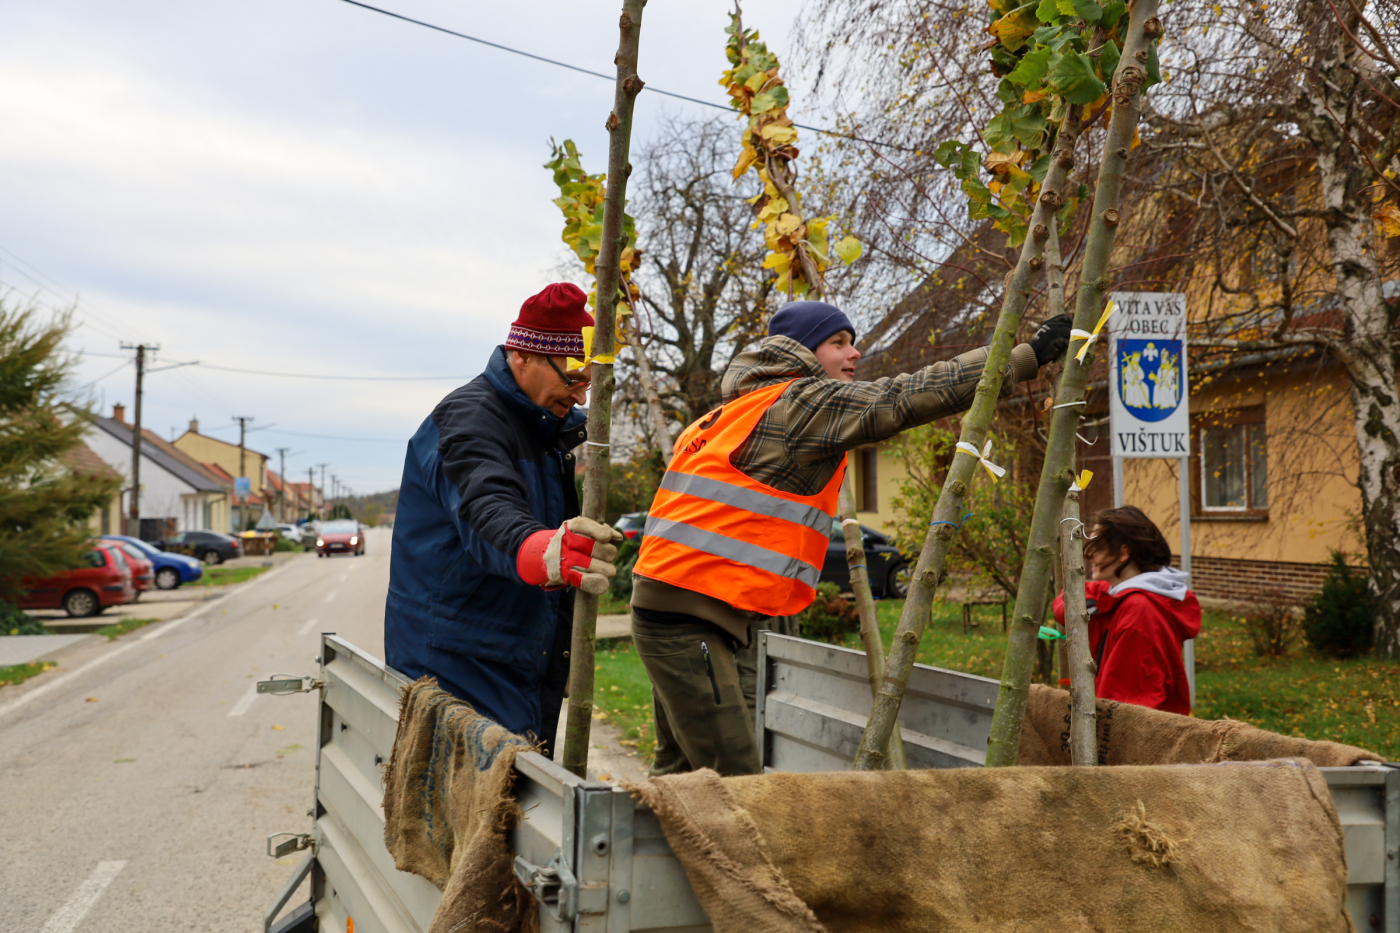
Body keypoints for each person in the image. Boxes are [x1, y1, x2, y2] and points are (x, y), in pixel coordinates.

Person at [630, 300, 1075, 776]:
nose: (855, 352)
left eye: (852, 341)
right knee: (731, 781)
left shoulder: (722, 415)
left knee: (680, 775)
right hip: (691, 618)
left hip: (683, 610)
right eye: (837, 343)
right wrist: (1026, 355)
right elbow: (904, 397)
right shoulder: (801, 403)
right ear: (800, 354)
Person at [384, 283, 622, 756]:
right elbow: (488, 509)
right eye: (572, 376)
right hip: (458, 667)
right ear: (524, 356)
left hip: (512, 660)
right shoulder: (467, 420)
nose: (579, 395)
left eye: (587, 382)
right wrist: (541, 550)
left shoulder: (542, 430)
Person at [1053, 505, 1201, 715]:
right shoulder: (1122, 596)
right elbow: (1070, 595)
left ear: (1123, 553)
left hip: (1133, 738)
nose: (1089, 555)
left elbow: (1125, 706)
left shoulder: (1139, 610)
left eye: (1098, 546)